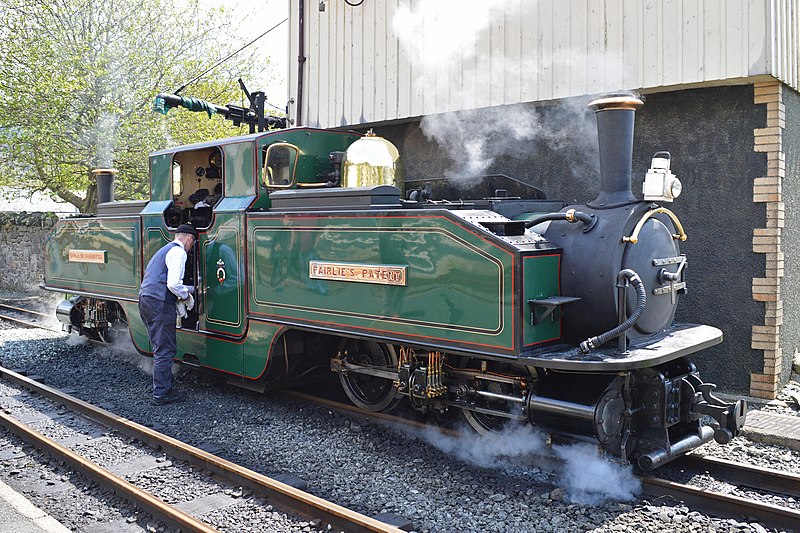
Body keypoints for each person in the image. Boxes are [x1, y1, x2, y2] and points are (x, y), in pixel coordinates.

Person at [138, 224, 197, 405]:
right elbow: (173, 284)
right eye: (192, 242)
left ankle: (163, 387)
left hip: (147, 300)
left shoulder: (164, 250)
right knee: (165, 348)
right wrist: (187, 297)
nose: (191, 246)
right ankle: (161, 394)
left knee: (160, 346)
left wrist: (188, 289)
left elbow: (164, 280)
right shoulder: (179, 253)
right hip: (159, 304)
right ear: (189, 238)